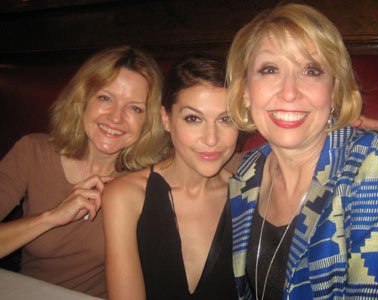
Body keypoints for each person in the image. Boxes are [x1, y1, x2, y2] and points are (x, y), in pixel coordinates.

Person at [226, 3, 378, 300]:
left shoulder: (374, 160)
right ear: (245, 92)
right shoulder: (246, 174)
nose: (290, 91)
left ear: (333, 91)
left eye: (311, 70)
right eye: (270, 69)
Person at [0, 45, 166, 298]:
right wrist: (51, 217)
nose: (116, 117)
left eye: (134, 108)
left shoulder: (149, 177)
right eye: (106, 98)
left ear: (148, 120)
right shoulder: (33, 152)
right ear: (82, 99)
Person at [103, 53, 239, 300]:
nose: (211, 139)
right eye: (193, 119)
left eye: (225, 119)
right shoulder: (125, 195)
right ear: (166, 119)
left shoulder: (251, 194)